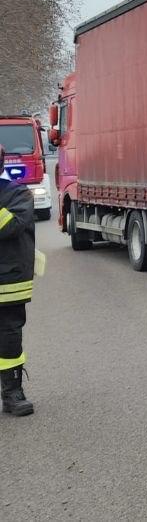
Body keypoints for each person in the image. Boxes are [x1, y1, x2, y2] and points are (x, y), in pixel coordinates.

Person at [0, 143, 36, 416]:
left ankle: (12, 392)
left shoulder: (18, 193)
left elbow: (9, 226)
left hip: (7, 281)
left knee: (9, 336)